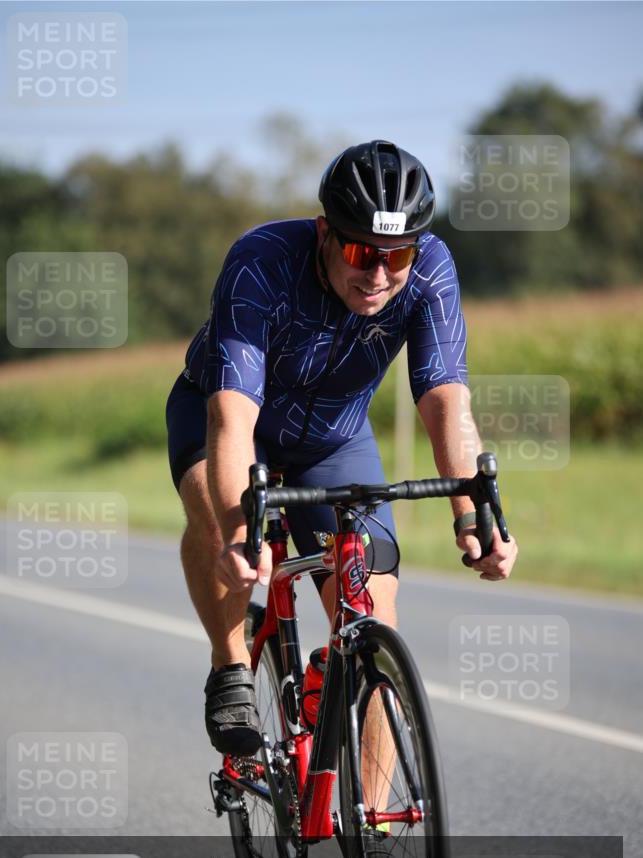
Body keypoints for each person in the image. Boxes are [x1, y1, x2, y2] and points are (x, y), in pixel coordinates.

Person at [166, 139, 518, 758]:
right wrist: (236, 532)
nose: (379, 275)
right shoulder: (262, 261)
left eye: (397, 254)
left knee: (374, 621)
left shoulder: (431, 268)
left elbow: (445, 399)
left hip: (334, 439)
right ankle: (230, 667)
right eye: (361, 251)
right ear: (326, 232)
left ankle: (375, 843)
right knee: (213, 513)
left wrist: (472, 513)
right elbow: (231, 418)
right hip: (225, 418)